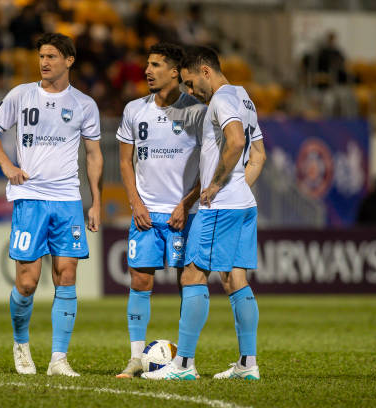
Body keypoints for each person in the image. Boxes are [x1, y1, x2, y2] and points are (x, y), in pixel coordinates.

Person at [0, 33, 103, 377]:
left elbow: (94, 155)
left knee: (67, 275)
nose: (44, 62)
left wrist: (95, 202)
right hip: (30, 199)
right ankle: (21, 345)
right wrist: (6, 164)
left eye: (51, 56)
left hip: (67, 201)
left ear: (69, 60)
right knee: (27, 282)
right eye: (41, 56)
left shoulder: (84, 104)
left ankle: (58, 359)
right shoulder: (21, 95)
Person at [142, 46, 266, 381]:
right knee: (234, 279)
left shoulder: (223, 99)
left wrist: (217, 185)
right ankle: (247, 364)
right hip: (243, 204)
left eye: (191, 82)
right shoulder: (245, 98)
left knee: (192, 277)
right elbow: (259, 155)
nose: (190, 91)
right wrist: (238, 185)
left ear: (206, 71)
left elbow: (237, 142)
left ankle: (182, 366)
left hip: (221, 206)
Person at [114, 42, 206, 378]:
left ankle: (184, 360)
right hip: (146, 214)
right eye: (147, 64)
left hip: (184, 215)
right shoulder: (134, 110)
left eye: (156, 65)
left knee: (189, 283)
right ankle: (137, 358)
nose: (148, 71)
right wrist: (135, 202)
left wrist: (187, 203)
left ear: (175, 72)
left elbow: (208, 168)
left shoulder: (197, 112)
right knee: (140, 280)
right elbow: (125, 161)